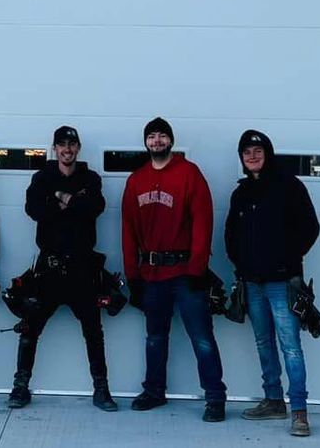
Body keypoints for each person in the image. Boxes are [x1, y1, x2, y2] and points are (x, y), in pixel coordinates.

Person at [121, 116, 226, 421]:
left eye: (162, 136)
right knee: (154, 338)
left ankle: (215, 397)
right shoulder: (136, 180)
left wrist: (197, 267)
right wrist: (133, 275)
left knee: (202, 337)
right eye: (151, 136)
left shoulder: (189, 174)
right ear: (145, 142)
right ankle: (154, 391)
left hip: (185, 273)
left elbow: (203, 222)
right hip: (152, 275)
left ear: (171, 140)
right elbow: (128, 230)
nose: (156, 141)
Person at [10, 125, 118, 412]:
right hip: (49, 268)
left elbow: (94, 207)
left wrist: (60, 199)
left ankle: (102, 389)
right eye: (62, 145)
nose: (67, 149)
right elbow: (34, 210)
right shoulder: (42, 177)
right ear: (54, 148)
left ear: (78, 148)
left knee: (94, 331)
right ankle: (20, 387)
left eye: (72, 144)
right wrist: (70, 200)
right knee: (31, 328)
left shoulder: (91, 178)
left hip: (82, 269)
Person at [225, 128, 320, 438]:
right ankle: (273, 401)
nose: (252, 156)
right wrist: (241, 264)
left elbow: (310, 227)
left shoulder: (289, 186)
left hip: (282, 282)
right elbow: (230, 236)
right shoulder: (240, 193)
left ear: (267, 153)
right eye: (246, 152)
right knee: (263, 342)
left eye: (257, 150)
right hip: (252, 283)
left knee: (290, 346)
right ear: (242, 159)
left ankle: (300, 413)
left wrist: (286, 259)